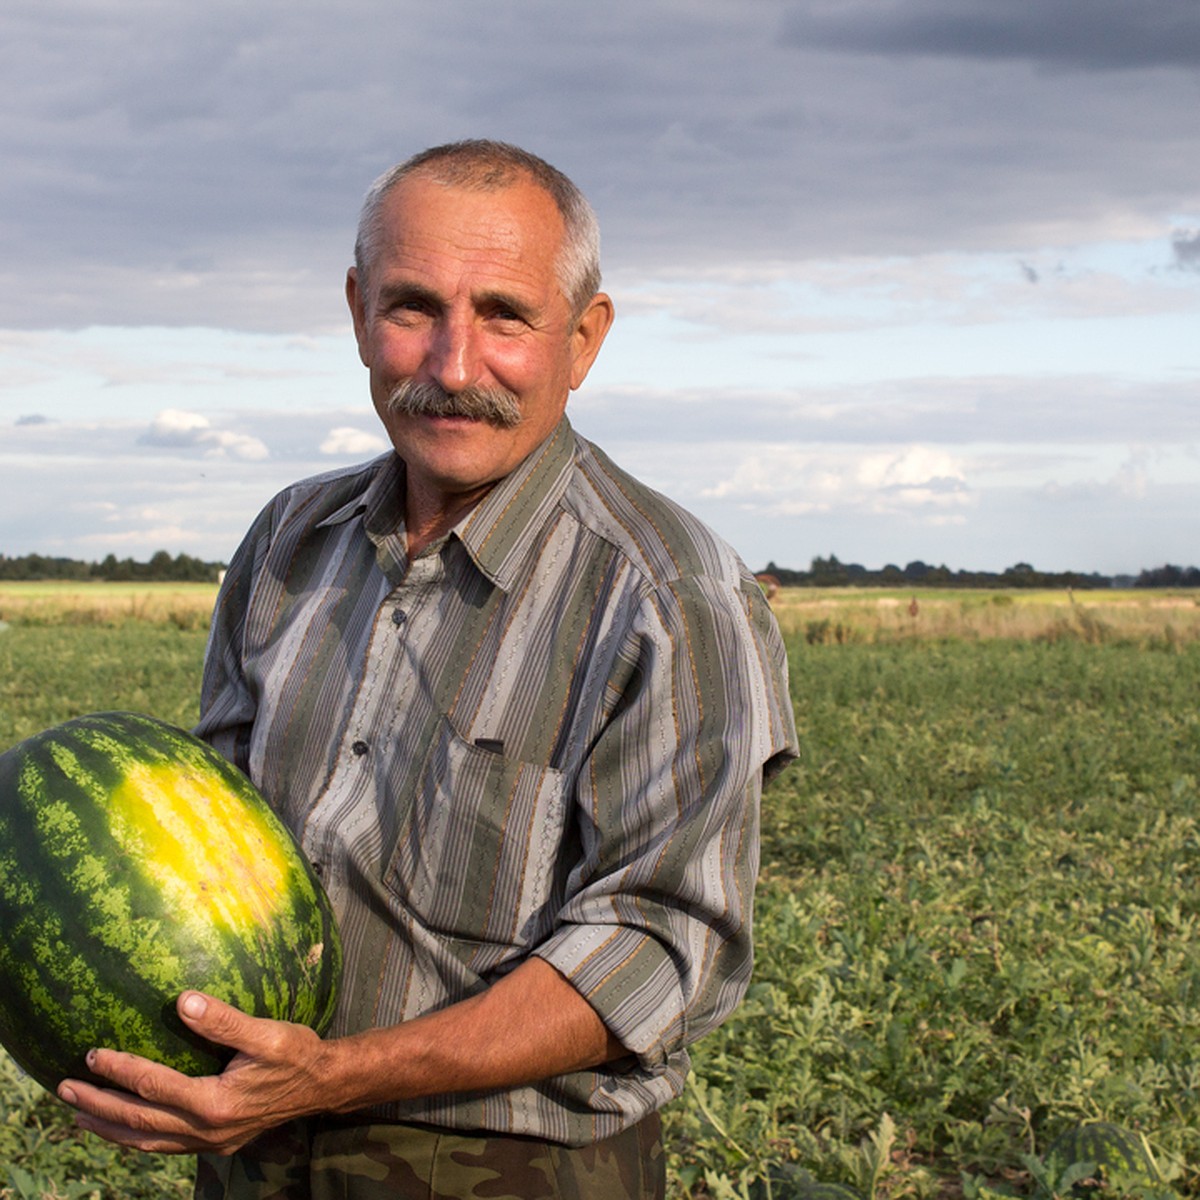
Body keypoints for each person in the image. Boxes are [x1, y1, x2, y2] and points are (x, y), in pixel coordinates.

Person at [58, 140, 798, 1199]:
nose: (453, 367)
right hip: (254, 1153)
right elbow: (207, 842)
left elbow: (661, 948)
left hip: (504, 1167)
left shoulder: (667, 599)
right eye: (412, 308)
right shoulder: (290, 542)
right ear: (359, 311)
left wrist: (333, 1078)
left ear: (582, 338)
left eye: (504, 314)